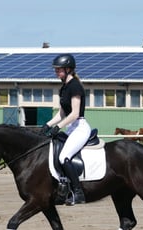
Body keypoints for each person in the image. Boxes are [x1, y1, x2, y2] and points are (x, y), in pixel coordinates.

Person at [40, 53, 91, 205]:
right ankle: (62, 187)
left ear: (68, 69)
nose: (56, 72)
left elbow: (75, 114)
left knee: (64, 157)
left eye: (59, 70)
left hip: (80, 127)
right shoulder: (64, 88)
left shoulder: (75, 86)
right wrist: (47, 125)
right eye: (56, 70)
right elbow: (62, 113)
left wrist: (58, 127)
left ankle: (78, 192)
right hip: (71, 127)